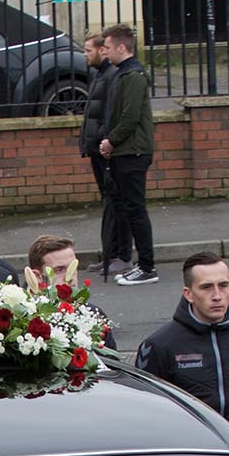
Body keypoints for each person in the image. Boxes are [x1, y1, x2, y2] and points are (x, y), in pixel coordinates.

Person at [133, 252, 229, 442]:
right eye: (206, 287)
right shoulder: (159, 345)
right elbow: (147, 413)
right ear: (188, 294)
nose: (217, 296)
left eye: (223, 286)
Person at [98, 24, 155, 286]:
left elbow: (130, 117)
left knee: (135, 209)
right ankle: (139, 262)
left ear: (122, 47)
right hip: (126, 150)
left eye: (108, 47)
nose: (105, 53)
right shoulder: (124, 74)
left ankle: (147, 266)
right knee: (128, 208)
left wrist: (111, 140)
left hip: (132, 152)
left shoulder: (133, 76)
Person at [77, 30, 121, 274]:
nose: (85, 55)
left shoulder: (111, 75)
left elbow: (107, 114)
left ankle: (113, 255)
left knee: (112, 204)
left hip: (104, 150)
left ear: (102, 50)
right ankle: (109, 254)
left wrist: (104, 139)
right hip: (95, 148)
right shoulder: (98, 74)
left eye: (88, 50)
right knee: (108, 202)